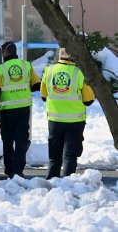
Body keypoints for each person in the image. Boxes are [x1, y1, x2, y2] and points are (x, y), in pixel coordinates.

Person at [0, 41, 41, 178]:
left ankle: (9, 169)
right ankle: (18, 170)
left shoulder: (1, 69)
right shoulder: (26, 65)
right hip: (23, 109)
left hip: (7, 110)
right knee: (21, 140)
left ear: (5, 52)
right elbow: (36, 85)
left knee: (8, 140)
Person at [41, 47, 95, 179]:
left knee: (54, 156)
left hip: (54, 120)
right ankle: (67, 183)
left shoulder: (49, 71)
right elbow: (89, 100)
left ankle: (52, 181)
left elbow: (43, 96)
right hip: (74, 122)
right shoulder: (79, 73)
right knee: (70, 156)